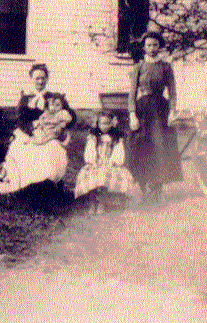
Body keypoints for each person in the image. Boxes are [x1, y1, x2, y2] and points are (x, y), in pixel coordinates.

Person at [0, 64, 75, 195]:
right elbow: (21, 120)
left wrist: (62, 123)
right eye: (37, 78)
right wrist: (32, 130)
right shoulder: (26, 97)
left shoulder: (54, 97)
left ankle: (48, 183)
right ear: (31, 79)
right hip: (28, 134)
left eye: (43, 78)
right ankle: (26, 185)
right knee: (23, 152)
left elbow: (72, 116)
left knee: (54, 149)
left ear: (47, 78)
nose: (40, 81)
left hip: (48, 135)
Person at [128, 31, 180, 205]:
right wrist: (132, 114)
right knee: (142, 146)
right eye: (149, 45)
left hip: (160, 109)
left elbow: (172, 91)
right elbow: (132, 93)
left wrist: (172, 111)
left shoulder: (166, 66)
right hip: (143, 109)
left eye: (155, 45)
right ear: (144, 47)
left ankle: (158, 187)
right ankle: (144, 187)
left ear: (160, 47)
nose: (152, 48)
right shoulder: (139, 67)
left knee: (160, 146)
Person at [74, 110, 136, 214]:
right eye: (103, 123)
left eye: (108, 123)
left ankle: (101, 202)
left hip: (111, 163)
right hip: (96, 162)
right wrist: (92, 161)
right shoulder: (94, 137)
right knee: (90, 174)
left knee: (106, 175)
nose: (105, 126)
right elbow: (90, 151)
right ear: (98, 124)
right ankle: (93, 202)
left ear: (112, 123)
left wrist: (114, 161)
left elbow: (118, 151)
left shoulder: (116, 138)